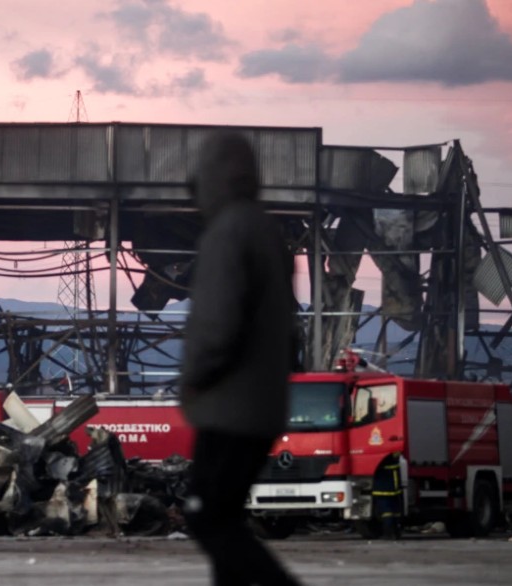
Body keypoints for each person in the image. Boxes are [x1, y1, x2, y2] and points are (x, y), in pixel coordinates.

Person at [180, 132, 301, 586]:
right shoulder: (266, 231)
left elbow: (217, 322)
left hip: (228, 406)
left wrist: (194, 377)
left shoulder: (227, 232)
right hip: (263, 404)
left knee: (208, 515)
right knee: (225, 518)